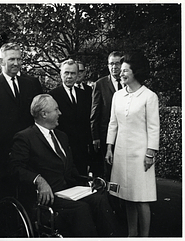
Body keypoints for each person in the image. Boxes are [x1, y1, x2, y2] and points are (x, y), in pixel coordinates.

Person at [11, 94, 118, 237]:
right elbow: (16, 168)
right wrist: (38, 180)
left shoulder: (62, 136)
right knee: (81, 209)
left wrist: (88, 181)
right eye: (56, 109)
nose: (60, 113)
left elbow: (70, 168)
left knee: (100, 198)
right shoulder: (25, 138)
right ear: (44, 114)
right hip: (47, 197)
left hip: (69, 191)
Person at [0, 42, 42, 210]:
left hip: (27, 154)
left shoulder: (32, 84)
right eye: (11, 59)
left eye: (19, 59)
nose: (16, 63)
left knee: (27, 198)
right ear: (1, 61)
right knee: (2, 201)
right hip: (0, 156)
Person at [105, 52, 160, 237]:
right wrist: (109, 147)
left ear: (135, 72)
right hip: (121, 153)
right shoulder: (118, 96)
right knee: (127, 196)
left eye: (125, 70)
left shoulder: (149, 96)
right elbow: (113, 123)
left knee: (142, 198)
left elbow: (153, 128)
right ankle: (131, 234)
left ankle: (144, 237)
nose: (121, 74)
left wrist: (150, 153)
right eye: (120, 71)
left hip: (141, 155)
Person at [49, 59, 92, 175]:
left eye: (73, 73)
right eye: (66, 73)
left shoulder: (85, 95)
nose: (69, 76)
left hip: (82, 148)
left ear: (78, 75)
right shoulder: (53, 95)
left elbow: (87, 121)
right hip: (63, 147)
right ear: (60, 74)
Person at [91, 51, 123, 181]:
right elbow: (95, 112)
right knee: (109, 169)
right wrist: (95, 136)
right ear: (108, 65)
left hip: (125, 134)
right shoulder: (100, 84)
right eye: (111, 64)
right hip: (106, 134)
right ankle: (110, 198)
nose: (114, 67)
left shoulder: (129, 83)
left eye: (117, 63)